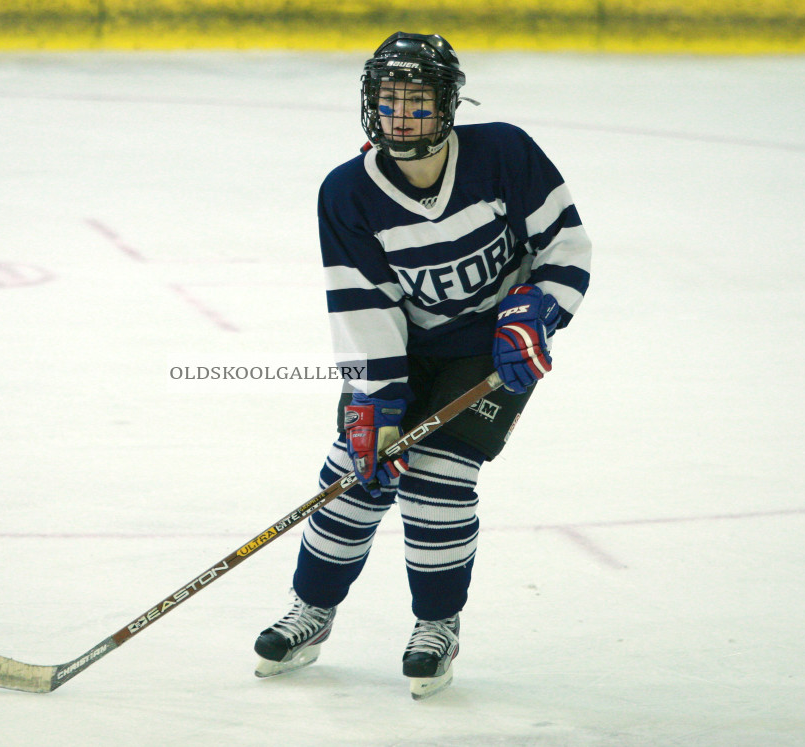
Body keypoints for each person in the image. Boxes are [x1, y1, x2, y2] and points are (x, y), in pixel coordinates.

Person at [253, 31, 592, 700]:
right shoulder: (348, 192)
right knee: (355, 472)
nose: (401, 116)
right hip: (402, 346)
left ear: (448, 107)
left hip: (490, 346)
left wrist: (540, 310)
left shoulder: (504, 154)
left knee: (438, 476)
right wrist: (376, 408)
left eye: (417, 102)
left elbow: (567, 244)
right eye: (388, 102)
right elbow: (362, 303)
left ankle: (437, 624)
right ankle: (313, 610)